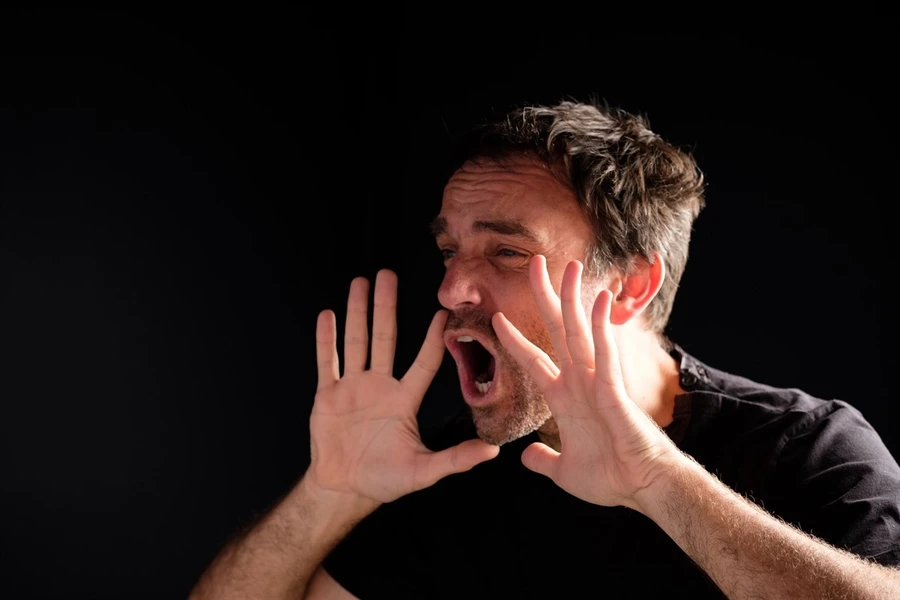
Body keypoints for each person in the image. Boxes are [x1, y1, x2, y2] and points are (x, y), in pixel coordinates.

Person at [189, 100, 900, 599]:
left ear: (629, 284)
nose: (451, 289)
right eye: (448, 250)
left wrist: (656, 481)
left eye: (504, 250)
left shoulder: (806, 447)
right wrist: (329, 495)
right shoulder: (450, 478)